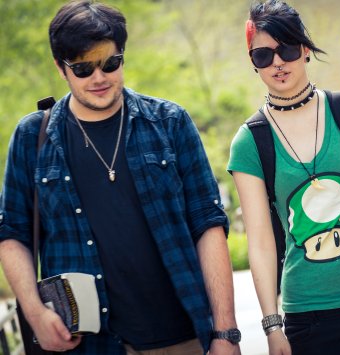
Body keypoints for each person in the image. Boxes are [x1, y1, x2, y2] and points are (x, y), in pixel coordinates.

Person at [0, 1, 242, 354]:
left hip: (184, 337)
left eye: (110, 63)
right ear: (60, 68)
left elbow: (208, 224)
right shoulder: (31, 136)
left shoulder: (170, 122)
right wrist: (35, 313)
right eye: (83, 68)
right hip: (89, 344)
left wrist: (225, 333)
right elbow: (12, 235)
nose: (99, 78)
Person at [227, 1, 340, 354]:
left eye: (287, 49)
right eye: (263, 55)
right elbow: (261, 242)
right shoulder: (249, 142)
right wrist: (271, 326)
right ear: (253, 63)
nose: (277, 63)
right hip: (309, 319)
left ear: (305, 49)